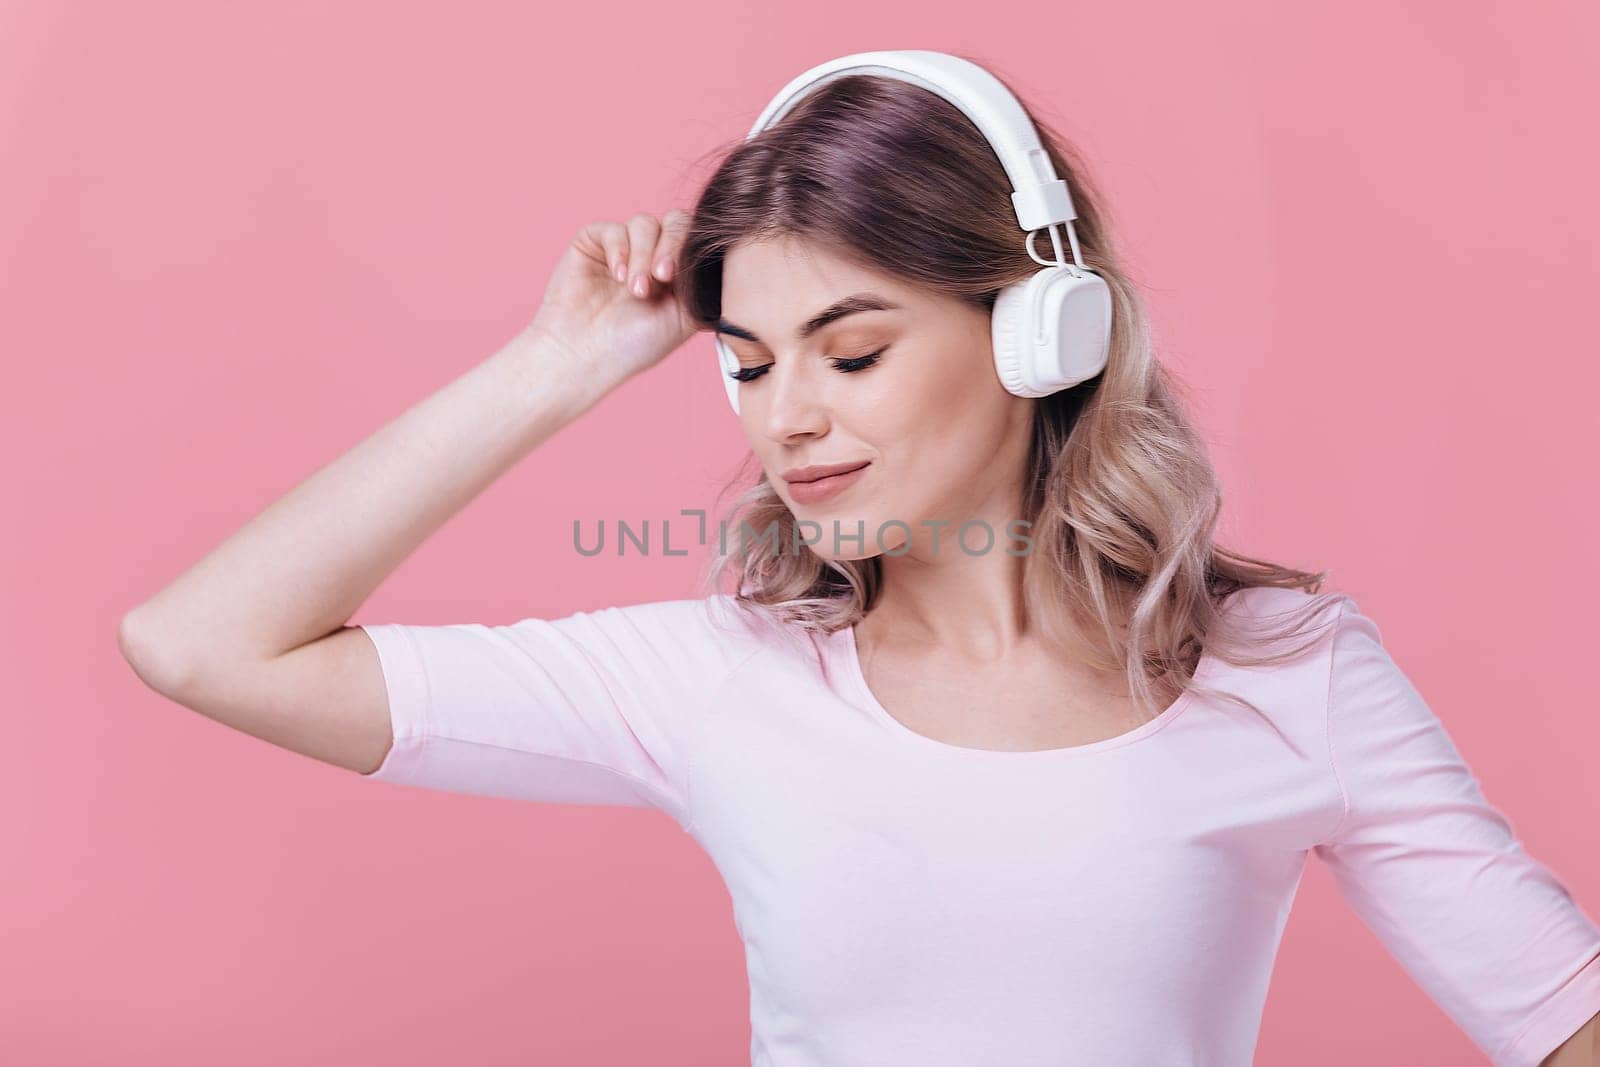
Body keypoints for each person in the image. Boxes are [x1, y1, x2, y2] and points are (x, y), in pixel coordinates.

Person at [119, 62, 1600, 1067]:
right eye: (751, 366)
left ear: (1044, 335)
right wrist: (551, 370)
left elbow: (1560, 1014)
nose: (790, 419)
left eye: (856, 349)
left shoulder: (1293, 673)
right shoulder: (716, 678)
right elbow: (204, 645)